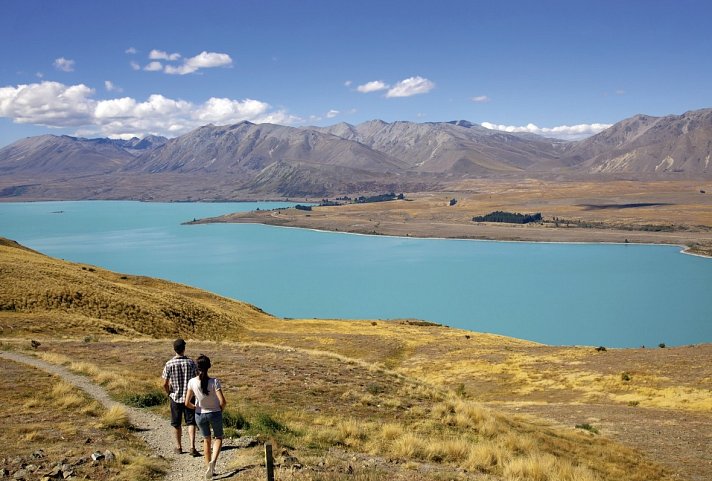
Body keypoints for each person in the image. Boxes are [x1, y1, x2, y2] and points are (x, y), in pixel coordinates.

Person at [185, 354, 227, 480]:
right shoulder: (214, 382)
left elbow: (186, 403)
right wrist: (220, 409)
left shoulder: (192, 382)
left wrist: (196, 408)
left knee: (206, 439)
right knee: (218, 437)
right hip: (214, 412)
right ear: (209, 367)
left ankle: (207, 466)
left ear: (197, 368)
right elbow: (223, 401)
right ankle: (213, 463)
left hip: (200, 414)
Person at [161, 338, 199, 456]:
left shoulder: (169, 364)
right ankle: (192, 446)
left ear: (174, 349)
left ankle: (179, 447)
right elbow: (197, 378)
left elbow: (165, 383)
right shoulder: (191, 362)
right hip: (189, 396)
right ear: (184, 348)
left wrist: (169, 392)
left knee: (176, 423)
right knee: (191, 422)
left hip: (175, 397)